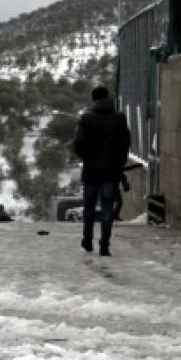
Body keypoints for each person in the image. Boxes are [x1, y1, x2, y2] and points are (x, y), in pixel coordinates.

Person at [72, 86, 131, 256]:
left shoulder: (86, 118)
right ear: (108, 98)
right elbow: (125, 143)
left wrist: (86, 157)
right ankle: (104, 244)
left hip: (91, 171)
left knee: (89, 206)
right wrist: (119, 162)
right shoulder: (119, 118)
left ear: (93, 99)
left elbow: (78, 144)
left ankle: (87, 240)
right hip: (111, 171)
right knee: (107, 207)